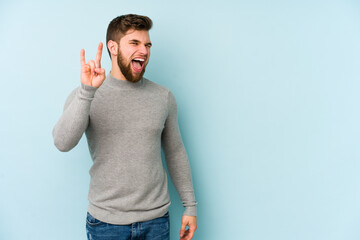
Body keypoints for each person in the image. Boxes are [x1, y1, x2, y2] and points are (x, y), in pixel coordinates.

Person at [52, 14, 198, 240]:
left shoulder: (163, 97)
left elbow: (175, 152)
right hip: (105, 224)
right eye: (135, 43)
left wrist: (190, 207)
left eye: (147, 44)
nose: (144, 50)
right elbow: (62, 142)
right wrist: (87, 92)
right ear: (113, 47)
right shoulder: (87, 93)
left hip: (157, 222)